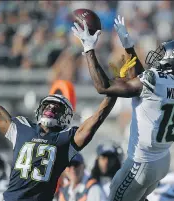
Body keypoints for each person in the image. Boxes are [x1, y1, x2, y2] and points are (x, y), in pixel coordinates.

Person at [0, 58, 135, 201]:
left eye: (57, 108)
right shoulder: (21, 129)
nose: (51, 109)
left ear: (65, 116)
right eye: (48, 105)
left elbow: (97, 118)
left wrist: (114, 91)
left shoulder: (66, 139)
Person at [72, 15, 174, 201]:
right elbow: (145, 83)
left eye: (162, 56)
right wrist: (128, 46)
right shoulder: (162, 82)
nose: (156, 58)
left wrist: (88, 49)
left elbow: (103, 87)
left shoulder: (154, 80)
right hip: (162, 160)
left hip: (142, 162)